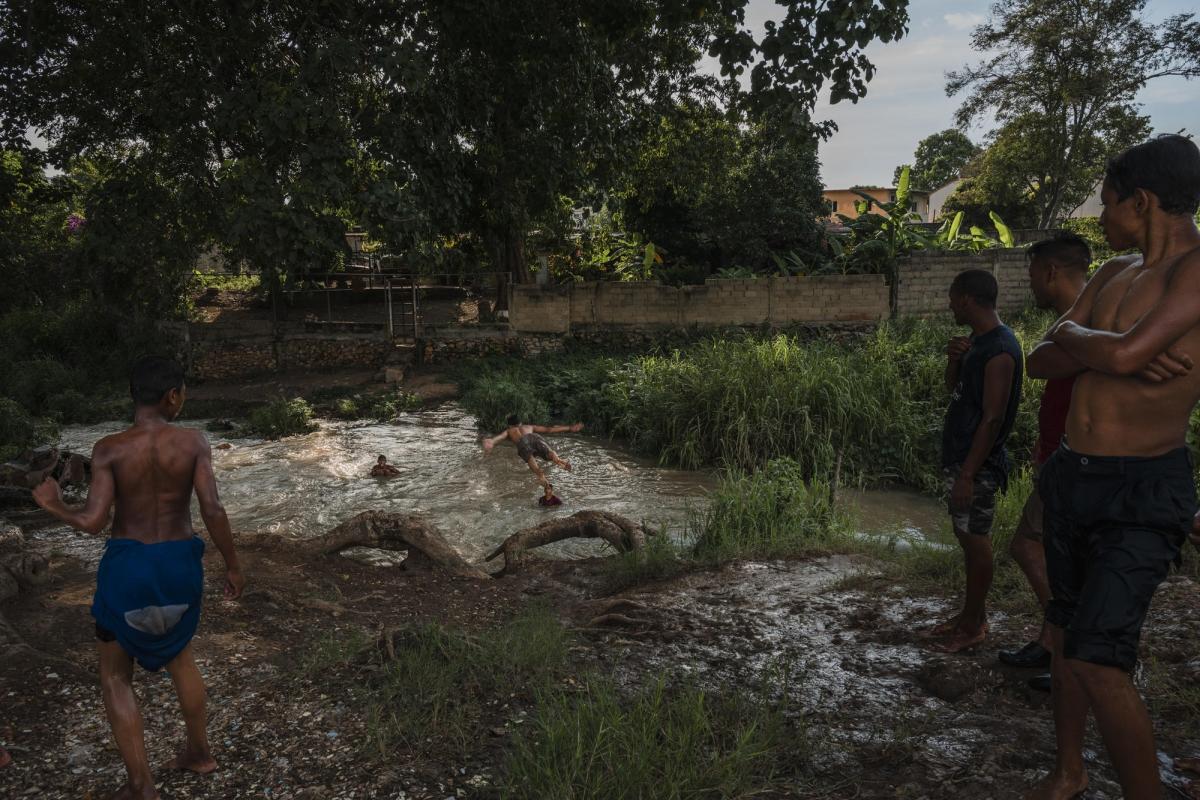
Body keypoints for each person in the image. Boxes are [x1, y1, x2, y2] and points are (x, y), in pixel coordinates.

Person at [1023, 134, 1200, 800]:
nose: (1100, 217)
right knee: (1067, 634)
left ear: (1143, 201)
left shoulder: (1194, 272)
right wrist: (1088, 340)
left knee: (1100, 659)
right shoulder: (1111, 273)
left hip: (1143, 485)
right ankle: (1070, 771)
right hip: (1074, 476)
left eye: (1107, 203)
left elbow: (1122, 358)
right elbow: (1044, 358)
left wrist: (1083, 339)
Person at [32, 355, 244, 800]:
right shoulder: (194, 443)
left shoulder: (109, 448)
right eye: (182, 393)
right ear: (171, 396)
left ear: (134, 397)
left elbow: (92, 522)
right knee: (181, 657)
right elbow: (213, 509)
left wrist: (52, 503)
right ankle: (200, 753)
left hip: (129, 568)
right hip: (179, 565)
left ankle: (142, 785)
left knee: (114, 675)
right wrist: (233, 564)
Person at [997, 234, 1090, 690]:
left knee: (1029, 547)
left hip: (1073, 462)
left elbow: (1037, 363)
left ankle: (1067, 647)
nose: (1030, 283)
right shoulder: (1082, 321)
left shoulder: (1086, 323)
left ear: (1051, 272)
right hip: (1059, 457)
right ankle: (1052, 641)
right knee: (1049, 552)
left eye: (1032, 273)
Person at [927, 269, 1024, 653]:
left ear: (966, 298)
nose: (950, 304)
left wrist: (968, 474)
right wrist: (954, 361)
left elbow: (993, 417)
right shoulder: (976, 343)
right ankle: (973, 614)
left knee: (976, 540)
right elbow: (956, 390)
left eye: (952, 297)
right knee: (966, 536)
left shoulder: (1000, 349)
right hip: (964, 461)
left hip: (977, 466)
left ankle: (972, 626)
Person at [482, 415, 583, 496]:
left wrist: (492, 441)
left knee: (534, 464)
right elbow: (549, 429)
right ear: (520, 423)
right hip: (534, 437)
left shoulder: (509, 431)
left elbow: (500, 437)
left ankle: (542, 477)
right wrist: (570, 427)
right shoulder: (528, 427)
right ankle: (559, 460)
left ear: (510, 425)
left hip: (522, 443)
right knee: (549, 454)